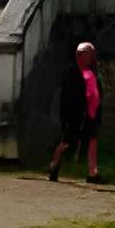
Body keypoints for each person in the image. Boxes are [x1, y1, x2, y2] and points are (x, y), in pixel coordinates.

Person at [45, 41, 103, 184]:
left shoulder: (94, 72)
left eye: (89, 54)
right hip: (76, 114)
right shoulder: (72, 72)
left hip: (91, 113)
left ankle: (93, 173)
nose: (87, 57)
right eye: (85, 54)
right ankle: (54, 165)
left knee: (92, 141)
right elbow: (69, 95)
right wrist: (70, 114)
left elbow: (97, 91)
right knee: (67, 142)